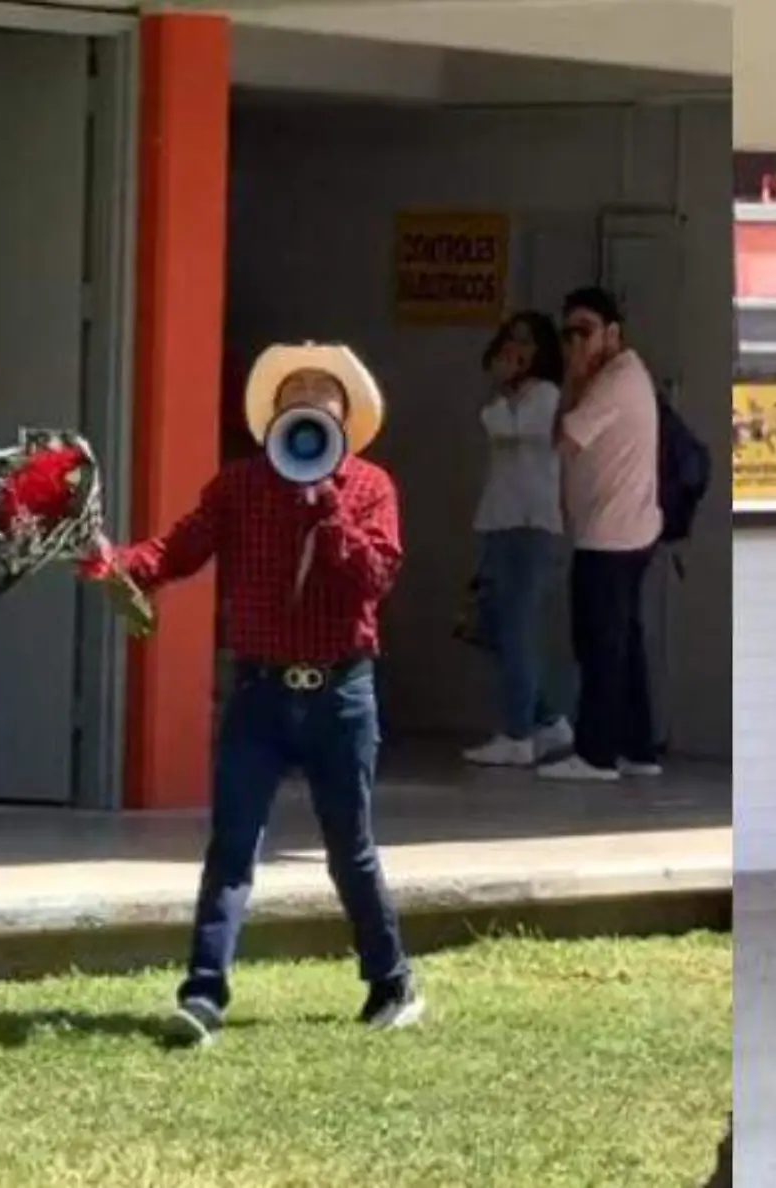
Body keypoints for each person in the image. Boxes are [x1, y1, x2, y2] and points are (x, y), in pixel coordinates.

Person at [85, 343, 422, 1045]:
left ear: (344, 413)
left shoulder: (371, 488)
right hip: (261, 693)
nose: (306, 399)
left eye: (320, 392)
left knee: (349, 847)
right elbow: (178, 549)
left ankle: (391, 982)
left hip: (340, 693)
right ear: (272, 411)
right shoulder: (237, 488)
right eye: (293, 390)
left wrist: (324, 506)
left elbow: (372, 580)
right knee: (233, 844)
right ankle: (203, 995)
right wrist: (117, 564)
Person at [539, 286, 663, 783]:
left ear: (613, 333)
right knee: (624, 645)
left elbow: (562, 438)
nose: (576, 343)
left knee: (599, 645)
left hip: (610, 536)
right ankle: (638, 748)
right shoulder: (621, 374)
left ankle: (595, 753)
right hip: (622, 529)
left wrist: (570, 374)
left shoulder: (614, 380)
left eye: (585, 332)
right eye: (568, 333)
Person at [463, 311, 575, 768]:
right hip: (499, 520)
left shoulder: (546, 395)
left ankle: (517, 733)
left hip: (529, 525)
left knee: (517, 630)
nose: (516, 350)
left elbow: (505, 429)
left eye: (526, 342)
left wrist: (502, 389)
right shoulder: (507, 395)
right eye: (510, 340)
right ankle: (548, 720)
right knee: (494, 626)